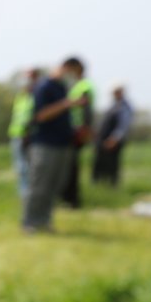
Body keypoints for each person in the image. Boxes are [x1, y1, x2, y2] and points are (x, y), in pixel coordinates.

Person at [23, 60, 79, 233]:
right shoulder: (44, 86)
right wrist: (66, 104)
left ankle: (45, 220)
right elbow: (41, 115)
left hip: (63, 144)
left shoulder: (62, 88)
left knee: (54, 186)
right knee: (39, 185)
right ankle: (30, 222)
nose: (74, 77)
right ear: (65, 67)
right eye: (73, 72)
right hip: (44, 144)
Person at [60, 56, 94, 209]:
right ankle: (67, 199)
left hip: (77, 131)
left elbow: (86, 108)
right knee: (68, 167)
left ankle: (72, 201)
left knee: (72, 168)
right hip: (71, 130)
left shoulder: (84, 85)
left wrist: (84, 130)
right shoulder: (76, 84)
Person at [7, 67, 40, 200]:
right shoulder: (20, 97)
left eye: (29, 77)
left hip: (29, 137)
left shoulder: (36, 96)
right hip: (16, 136)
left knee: (29, 168)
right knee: (20, 168)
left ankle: (30, 195)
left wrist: (28, 133)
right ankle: (24, 194)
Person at [92, 83, 134, 186]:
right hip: (103, 140)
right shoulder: (114, 105)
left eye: (116, 92)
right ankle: (99, 186)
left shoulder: (124, 107)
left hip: (112, 141)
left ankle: (111, 187)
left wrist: (114, 139)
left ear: (121, 92)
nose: (114, 94)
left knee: (112, 166)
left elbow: (123, 125)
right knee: (100, 165)